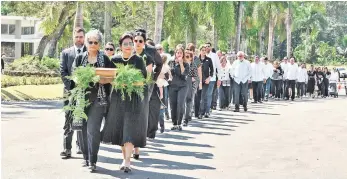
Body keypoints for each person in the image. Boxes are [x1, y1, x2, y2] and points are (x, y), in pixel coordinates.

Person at [102, 33, 148, 173]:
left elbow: (143, 79)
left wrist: (131, 83)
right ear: (120, 46)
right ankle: (124, 158)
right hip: (117, 99)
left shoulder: (138, 60)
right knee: (120, 129)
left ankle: (127, 161)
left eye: (130, 43)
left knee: (129, 129)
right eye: (125, 44)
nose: (128, 46)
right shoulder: (114, 59)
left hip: (133, 99)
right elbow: (109, 77)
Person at [71, 30, 114, 171]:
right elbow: (74, 75)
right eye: (90, 42)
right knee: (82, 129)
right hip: (82, 98)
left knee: (93, 129)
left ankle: (93, 160)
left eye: (96, 42)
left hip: (99, 98)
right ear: (86, 42)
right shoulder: (79, 58)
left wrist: (102, 80)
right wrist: (79, 80)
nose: (93, 44)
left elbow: (113, 77)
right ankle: (86, 156)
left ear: (99, 44)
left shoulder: (104, 59)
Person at [59, 28, 86, 158]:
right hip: (69, 91)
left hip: (86, 92)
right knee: (68, 118)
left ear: (84, 37)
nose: (79, 39)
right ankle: (67, 148)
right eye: (77, 36)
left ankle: (80, 145)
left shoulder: (90, 52)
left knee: (83, 118)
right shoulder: (66, 53)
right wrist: (73, 87)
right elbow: (63, 72)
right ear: (73, 37)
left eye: (81, 37)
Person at [132, 30, 155, 160]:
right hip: (128, 91)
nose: (138, 43)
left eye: (141, 41)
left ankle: (137, 148)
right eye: (136, 41)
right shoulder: (128, 55)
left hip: (142, 92)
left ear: (144, 42)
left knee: (139, 120)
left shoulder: (148, 57)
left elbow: (147, 77)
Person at [137, 29, 163, 140]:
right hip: (135, 81)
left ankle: (148, 132)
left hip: (148, 82)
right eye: (136, 38)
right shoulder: (133, 48)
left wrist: (154, 77)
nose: (138, 41)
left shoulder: (151, 50)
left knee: (147, 106)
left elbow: (160, 63)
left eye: (140, 38)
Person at [168, 46, 190, 131]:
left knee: (180, 104)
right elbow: (169, 73)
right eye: (178, 52)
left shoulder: (186, 64)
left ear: (183, 54)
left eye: (181, 53)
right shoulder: (171, 62)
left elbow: (184, 74)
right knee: (173, 105)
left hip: (182, 86)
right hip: (172, 86)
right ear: (175, 53)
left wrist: (181, 63)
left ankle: (179, 123)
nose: (179, 54)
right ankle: (174, 123)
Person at [157, 54, 172, 133]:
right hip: (154, 86)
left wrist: (164, 76)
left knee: (161, 105)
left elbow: (170, 76)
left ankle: (161, 126)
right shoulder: (154, 65)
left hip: (162, 86)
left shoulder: (166, 67)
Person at [198, 46, 214, 119]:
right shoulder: (196, 59)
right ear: (200, 51)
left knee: (203, 96)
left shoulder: (209, 60)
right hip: (197, 81)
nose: (204, 51)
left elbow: (212, 70)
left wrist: (209, 78)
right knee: (198, 97)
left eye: (205, 50)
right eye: (202, 50)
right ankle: (197, 112)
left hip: (206, 81)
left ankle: (203, 112)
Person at [205, 42, 221, 111]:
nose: (207, 47)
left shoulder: (214, 56)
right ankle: (204, 109)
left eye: (208, 46)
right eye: (206, 46)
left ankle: (208, 110)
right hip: (203, 78)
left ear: (211, 47)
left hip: (212, 78)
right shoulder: (202, 55)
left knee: (209, 94)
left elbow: (219, 68)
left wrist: (219, 79)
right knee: (204, 95)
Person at [183, 50, 197, 126]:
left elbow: (195, 77)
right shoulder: (182, 64)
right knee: (182, 102)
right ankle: (183, 116)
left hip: (190, 86)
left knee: (188, 102)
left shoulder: (193, 65)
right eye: (186, 56)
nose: (187, 58)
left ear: (191, 58)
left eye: (188, 56)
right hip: (182, 85)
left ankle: (186, 118)